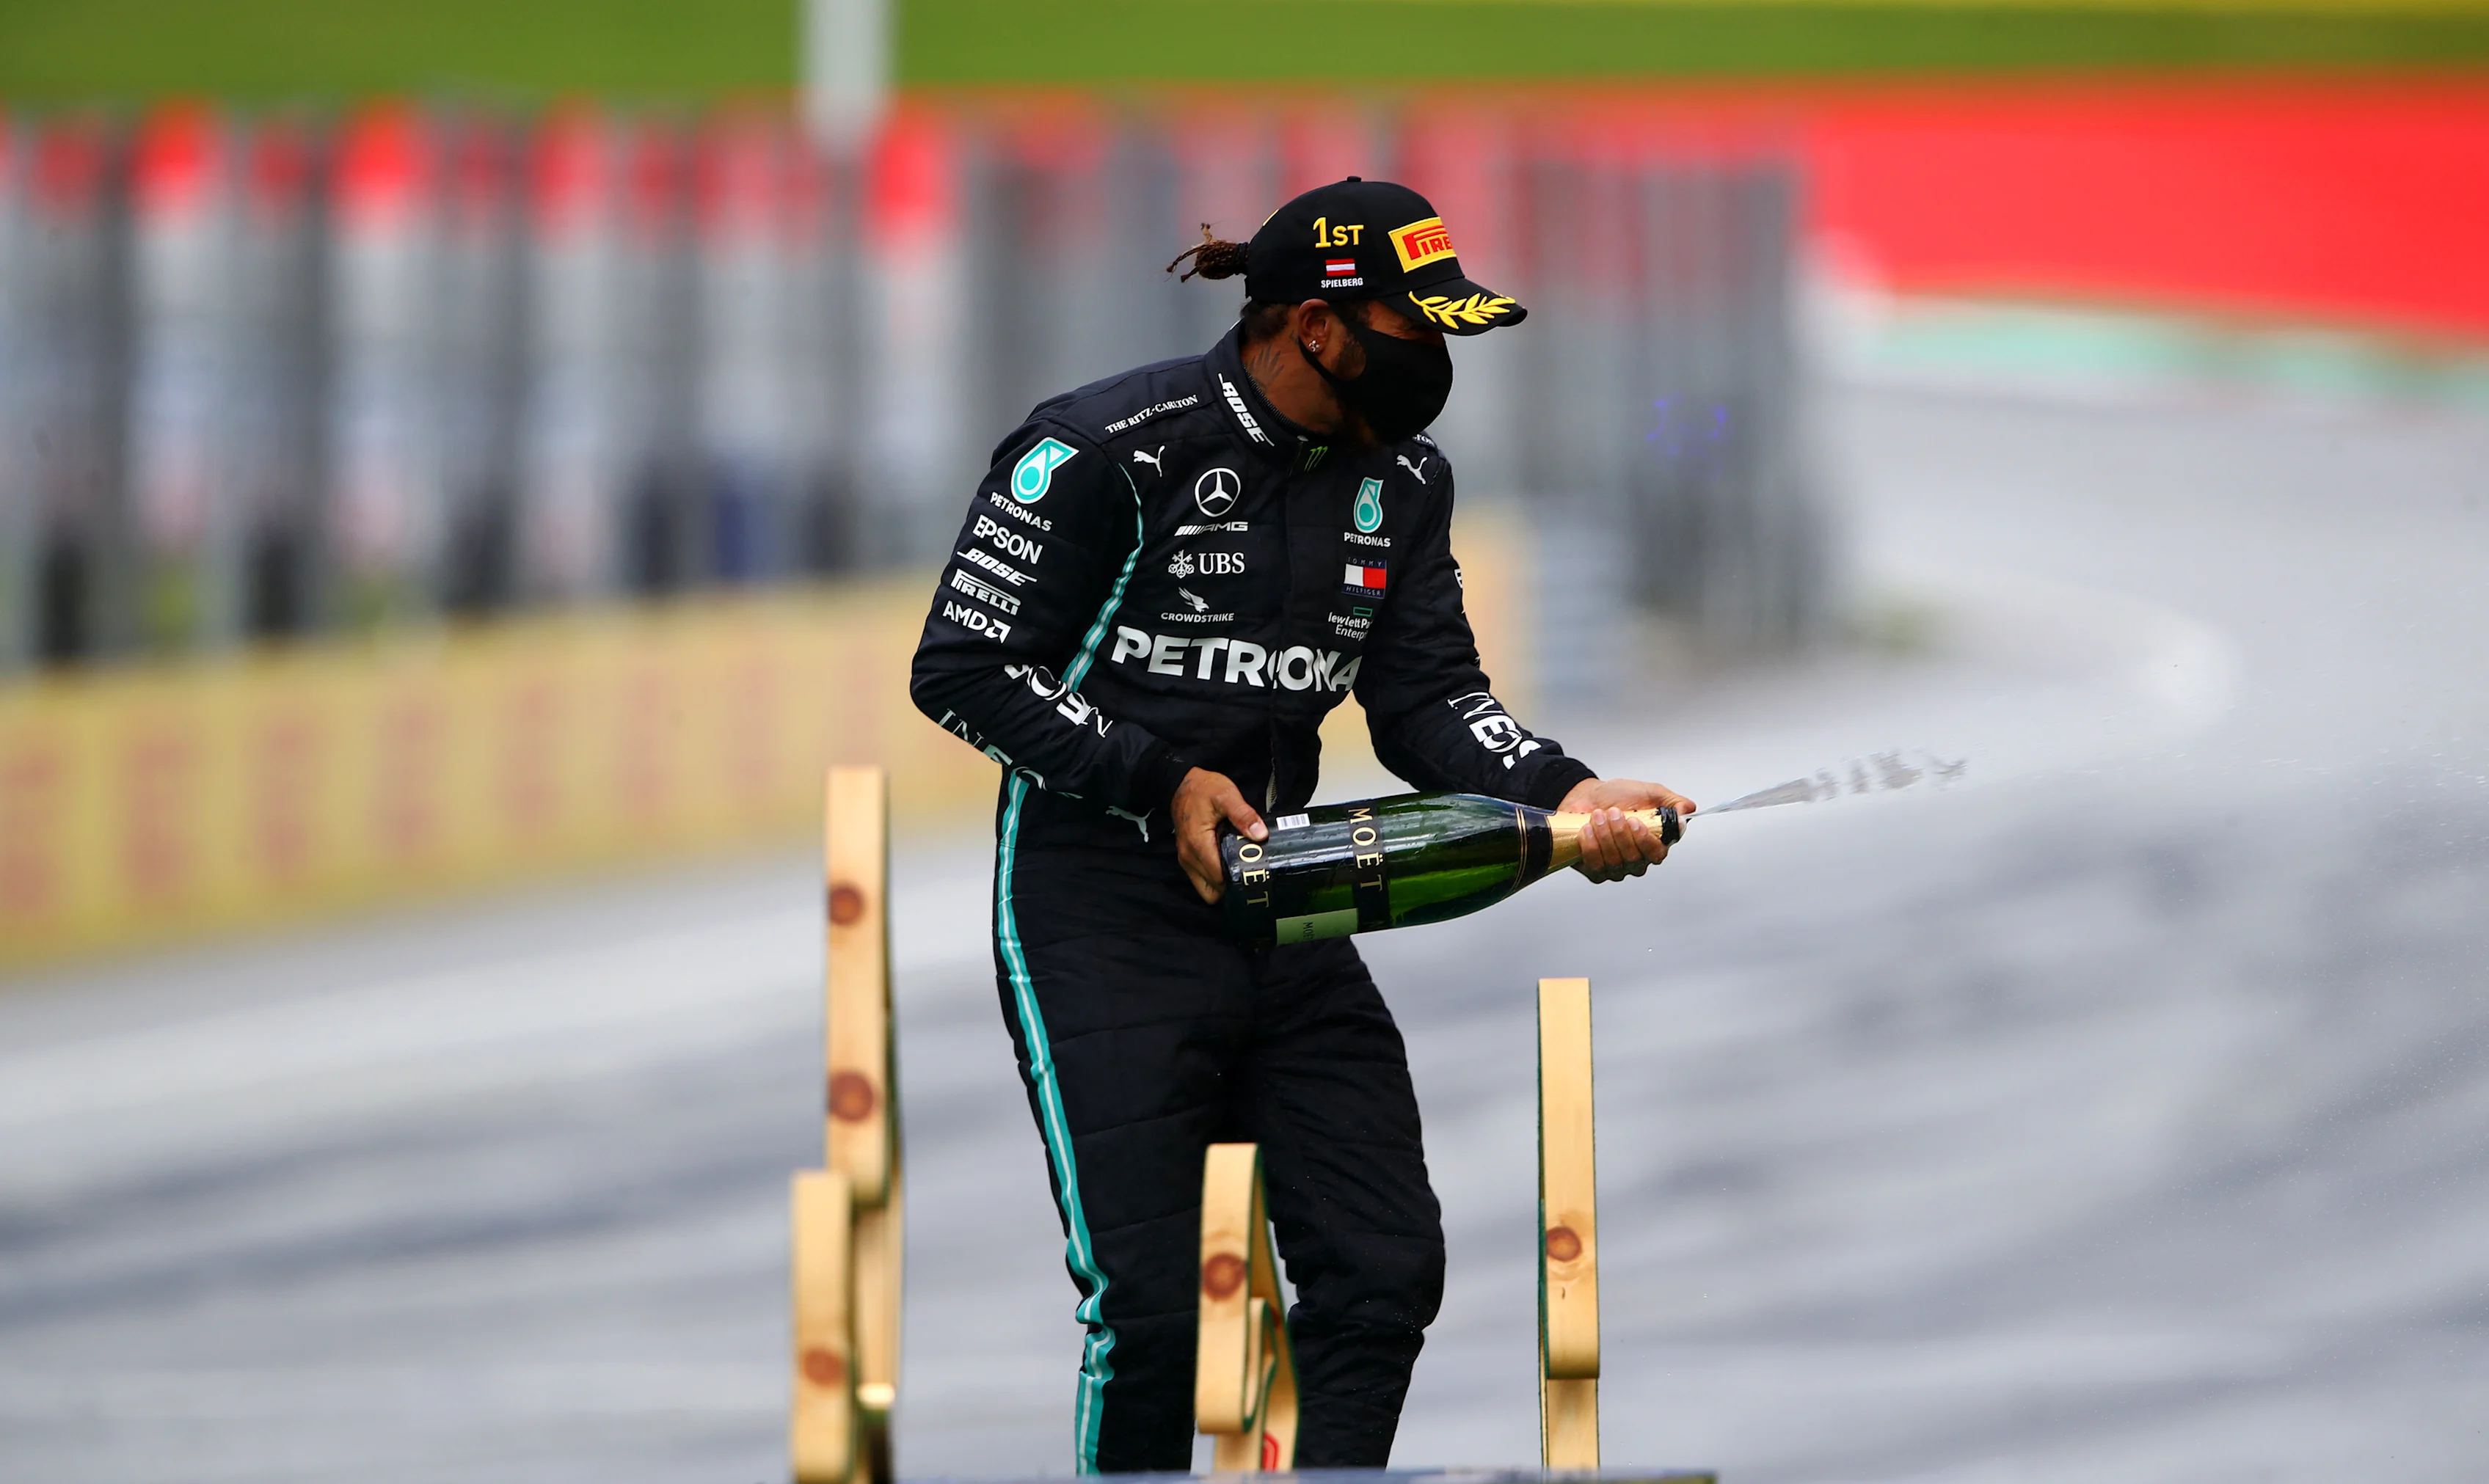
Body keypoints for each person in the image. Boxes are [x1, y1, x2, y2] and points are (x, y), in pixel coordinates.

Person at [909, 176, 1694, 1472]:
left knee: (1385, 1268)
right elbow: (963, 665)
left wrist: (1564, 792)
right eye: (1417, 324)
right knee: (1156, 1317)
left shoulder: (1407, 483)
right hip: (1094, 912)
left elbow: (1431, 698)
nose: (1436, 357)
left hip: (1287, 899)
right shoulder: (1107, 447)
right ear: (1319, 325)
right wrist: (1154, 777)